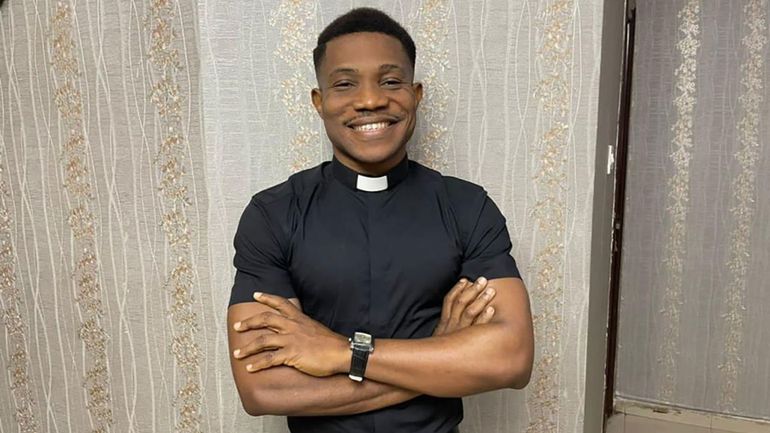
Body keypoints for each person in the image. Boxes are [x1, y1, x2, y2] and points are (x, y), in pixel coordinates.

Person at [227, 7, 534, 433]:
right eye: (344, 84)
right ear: (319, 102)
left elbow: (511, 360)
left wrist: (343, 353)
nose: (371, 100)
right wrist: (441, 355)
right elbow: (264, 391)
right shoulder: (272, 214)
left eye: (390, 81)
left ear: (416, 94)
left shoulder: (468, 207)